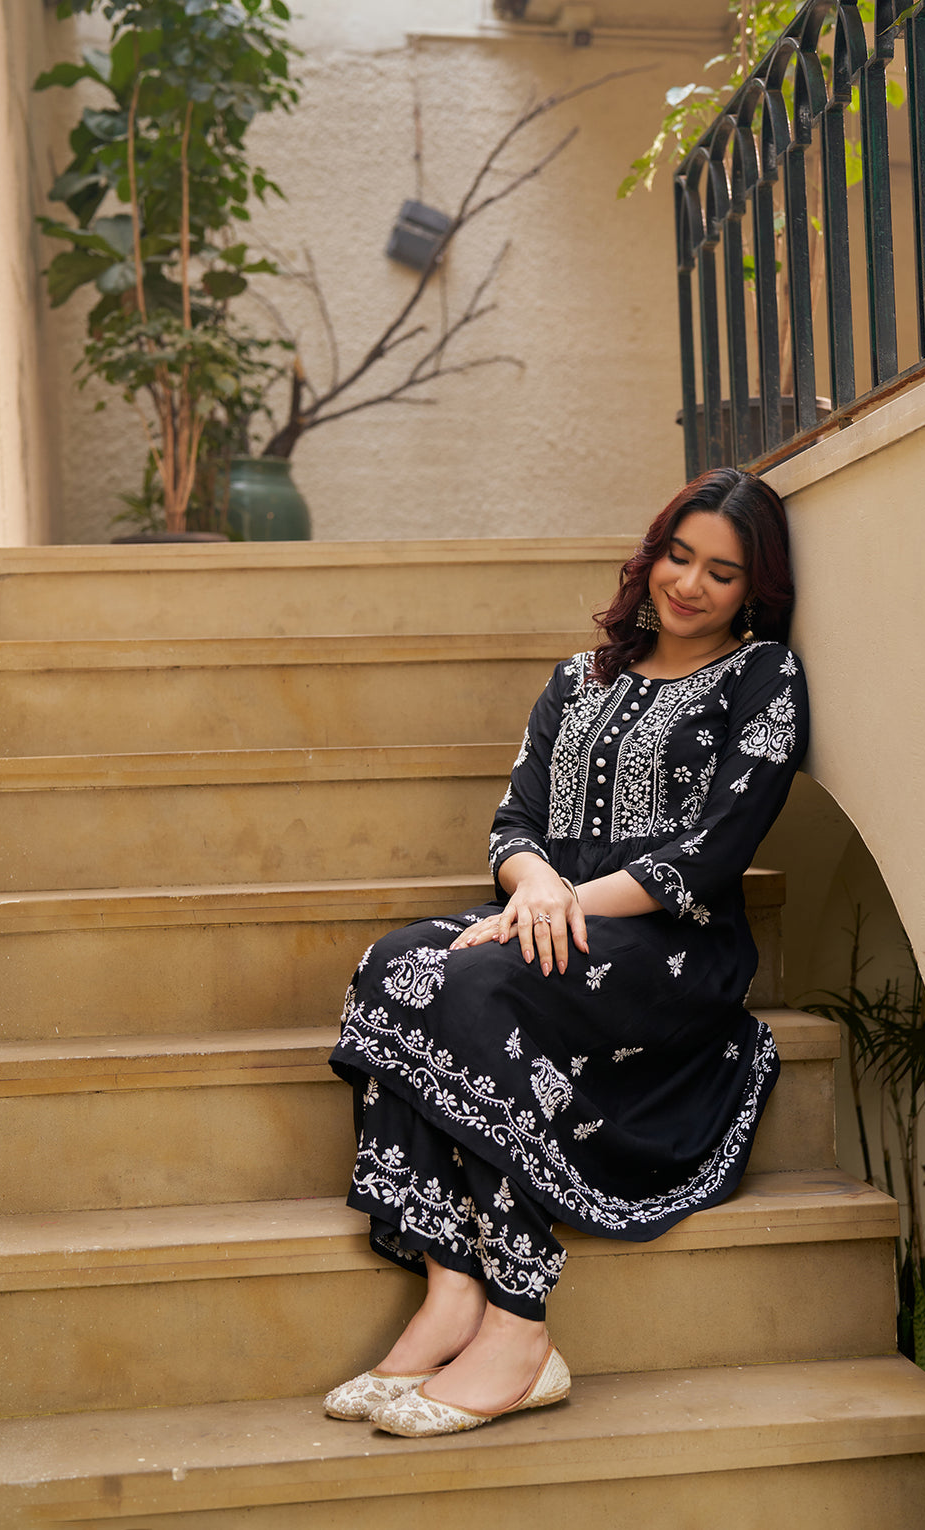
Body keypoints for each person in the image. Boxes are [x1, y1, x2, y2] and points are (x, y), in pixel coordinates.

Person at [325, 467, 809, 1439]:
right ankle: (451, 1283)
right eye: (679, 556)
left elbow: (715, 852)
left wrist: (562, 903)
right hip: (549, 919)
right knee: (394, 964)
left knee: (473, 982)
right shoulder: (577, 678)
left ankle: (519, 1318)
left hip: (672, 944)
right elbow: (514, 824)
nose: (690, 585)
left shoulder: (763, 678)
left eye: (721, 573)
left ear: (754, 588)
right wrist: (537, 887)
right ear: (652, 555)